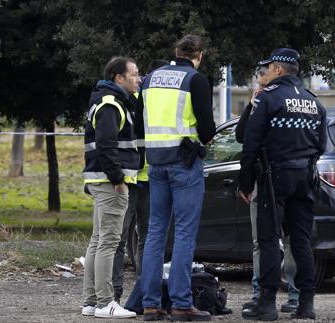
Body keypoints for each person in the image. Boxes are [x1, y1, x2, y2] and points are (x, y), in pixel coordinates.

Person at [239, 48, 326, 321]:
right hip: (305, 177)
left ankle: (266, 303)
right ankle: (306, 304)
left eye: (268, 68)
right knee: (301, 240)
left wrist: (246, 182)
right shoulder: (314, 102)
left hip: (274, 177)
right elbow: (321, 144)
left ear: (278, 70)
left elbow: (249, 144)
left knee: (267, 240)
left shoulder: (269, 99)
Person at [140, 35, 216, 322]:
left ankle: (150, 304)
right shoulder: (195, 80)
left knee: (155, 232)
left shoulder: (149, 79)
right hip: (184, 164)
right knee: (184, 232)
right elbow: (207, 130)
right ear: (199, 55)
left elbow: (140, 119)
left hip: (156, 163)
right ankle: (181, 304)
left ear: (175, 51)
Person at [236, 65, 300, 314]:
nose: (262, 91)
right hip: (261, 181)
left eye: (265, 86)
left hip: (281, 179)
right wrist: (251, 107)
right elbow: (242, 137)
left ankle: (293, 294)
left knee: (290, 239)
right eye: (259, 87)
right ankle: (259, 292)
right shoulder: (259, 105)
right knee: (260, 242)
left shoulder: (281, 105)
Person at [81, 56, 140, 319]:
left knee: (98, 241)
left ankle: (91, 301)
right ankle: (106, 302)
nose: (138, 79)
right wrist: (117, 178)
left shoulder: (107, 102)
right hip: (109, 183)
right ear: (119, 77)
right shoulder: (110, 105)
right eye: (135, 74)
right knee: (108, 241)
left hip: (100, 180)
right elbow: (106, 146)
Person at [112, 59, 171, 304]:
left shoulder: (156, 100)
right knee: (118, 238)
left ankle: (146, 293)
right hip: (128, 178)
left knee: (149, 239)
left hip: (150, 177)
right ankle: (113, 294)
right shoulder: (131, 99)